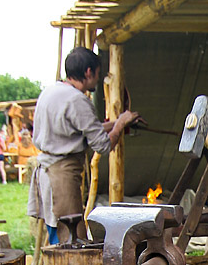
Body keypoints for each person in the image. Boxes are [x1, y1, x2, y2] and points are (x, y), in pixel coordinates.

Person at [28, 46, 139, 243]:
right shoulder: (77, 101)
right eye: (96, 74)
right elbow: (103, 146)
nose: (97, 79)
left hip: (47, 171)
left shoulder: (50, 92)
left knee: (58, 234)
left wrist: (117, 121)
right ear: (88, 72)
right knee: (69, 241)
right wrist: (120, 125)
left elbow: (78, 128)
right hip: (61, 176)